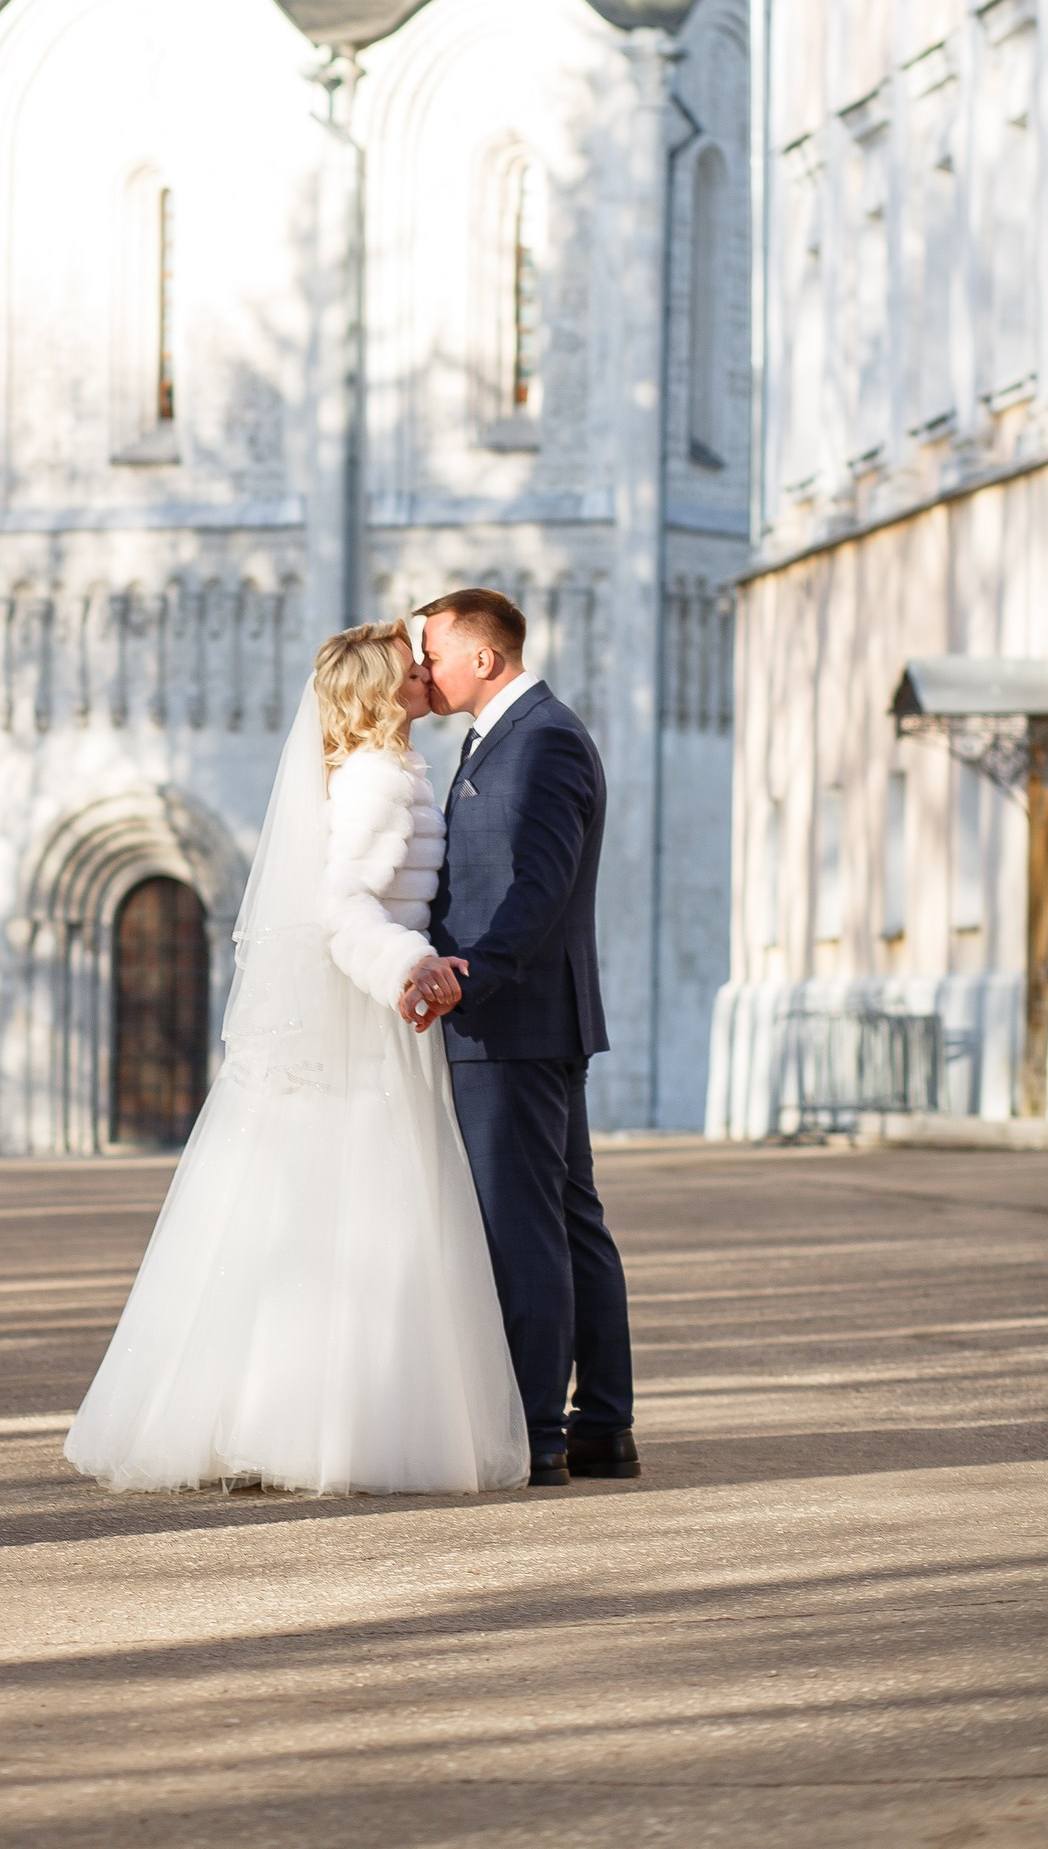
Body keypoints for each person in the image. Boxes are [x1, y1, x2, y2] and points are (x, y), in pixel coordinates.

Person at [64, 622, 526, 1496]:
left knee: (312, 1217)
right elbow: (342, 903)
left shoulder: (382, 772)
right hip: (371, 1017)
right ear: (383, 693)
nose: (426, 674)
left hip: (367, 1014)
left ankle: (279, 1415)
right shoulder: (379, 781)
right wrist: (408, 968)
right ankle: (316, 1425)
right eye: (410, 668)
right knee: (359, 1219)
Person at [399, 588, 638, 1490]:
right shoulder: (503, 735)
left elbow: (536, 888)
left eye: (434, 653)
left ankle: (539, 1431)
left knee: (525, 1229)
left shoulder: (540, 739)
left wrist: (472, 974)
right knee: (572, 1221)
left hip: (512, 1021)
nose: (424, 669)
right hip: (529, 1018)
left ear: (484, 659)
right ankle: (601, 1428)